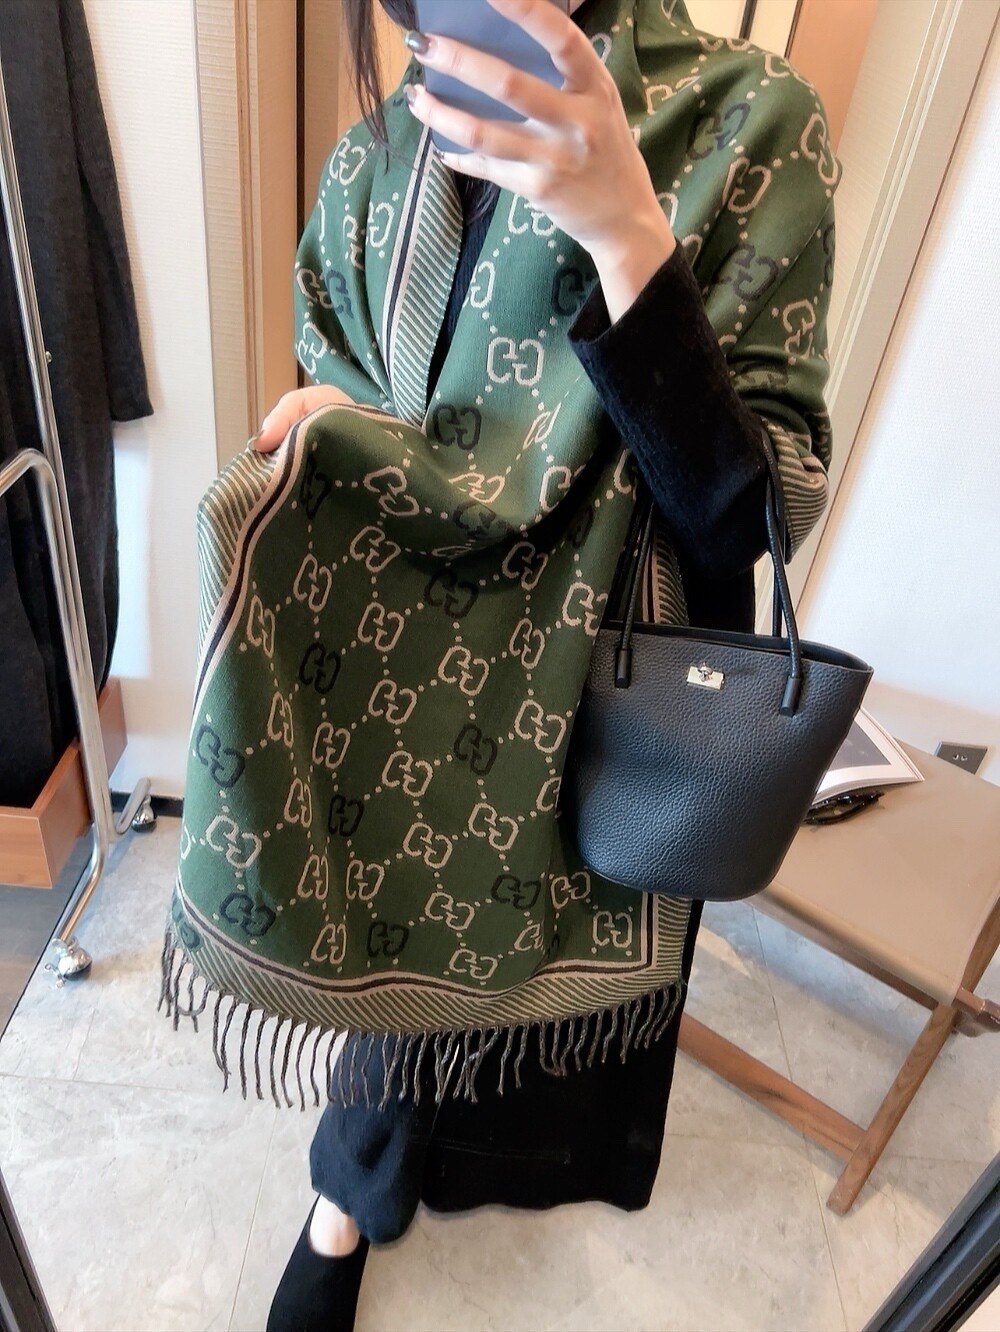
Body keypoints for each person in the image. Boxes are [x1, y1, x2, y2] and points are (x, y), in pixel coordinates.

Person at [159, 0, 842, 1328]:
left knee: (537, 1046)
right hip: (406, 675)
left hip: (605, 679)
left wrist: (627, 231)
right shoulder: (372, 161)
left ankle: (421, 1182)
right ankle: (346, 1197)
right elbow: (377, 412)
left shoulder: (752, 120)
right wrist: (346, 424)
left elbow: (744, 519)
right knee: (389, 963)